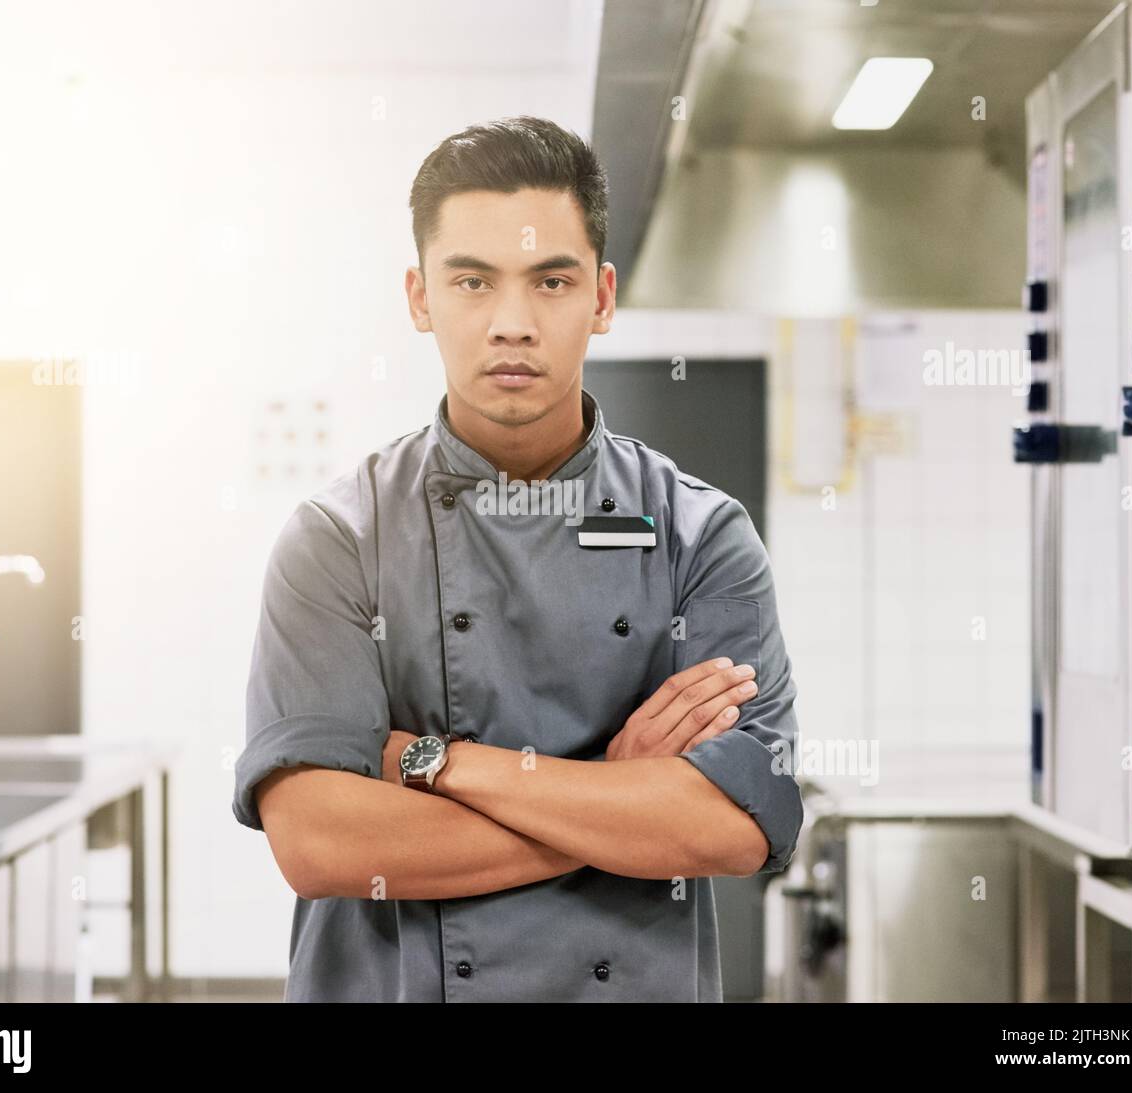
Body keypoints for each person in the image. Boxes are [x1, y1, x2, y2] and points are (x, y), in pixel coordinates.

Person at [232, 115, 803, 1002]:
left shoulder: (701, 536)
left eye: (551, 281)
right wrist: (618, 796)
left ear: (602, 298)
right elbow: (321, 842)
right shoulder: (338, 539)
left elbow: (736, 824)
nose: (512, 324)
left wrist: (435, 763)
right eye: (472, 281)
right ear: (420, 298)